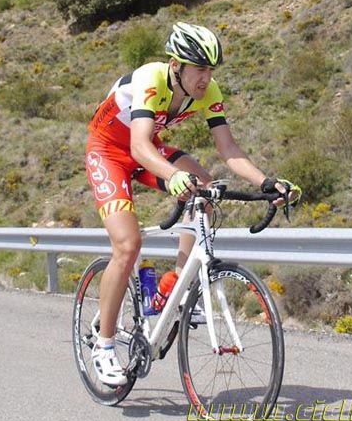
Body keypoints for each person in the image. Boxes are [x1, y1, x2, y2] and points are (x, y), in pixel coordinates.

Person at [84, 22, 300, 386]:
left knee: (206, 189)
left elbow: (228, 149)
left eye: (210, 70)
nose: (205, 79)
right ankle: (104, 346)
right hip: (110, 151)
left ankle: (174, 288)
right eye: (199, 69)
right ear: (176, 65)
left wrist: (266, 181)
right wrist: (171, 176)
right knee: (127, 244)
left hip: (148, 150)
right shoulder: (151, 78)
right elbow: (138, 147)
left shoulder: (208, 91)